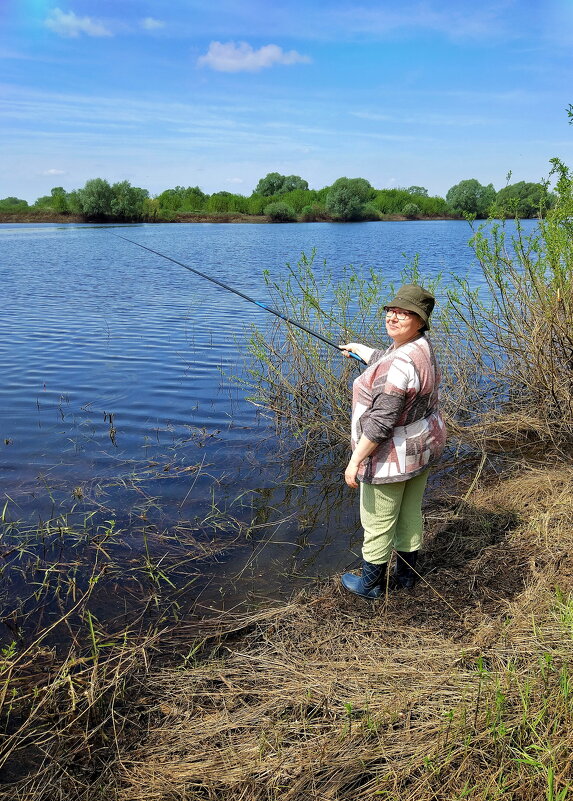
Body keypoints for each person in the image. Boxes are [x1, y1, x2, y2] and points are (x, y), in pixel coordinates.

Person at [338, 284, 446, 599]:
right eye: (392, 310)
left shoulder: (400, 362)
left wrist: (355, 461)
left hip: (392, 457)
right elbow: (389, 363)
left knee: (377, 521)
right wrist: (359, 349)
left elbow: (381, 422)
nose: (394, 316)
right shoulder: (420, 347)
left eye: (406, 312)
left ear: (420, 320)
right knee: (410, 512)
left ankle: (370, 585)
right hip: (420, 448)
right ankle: (407, 577)